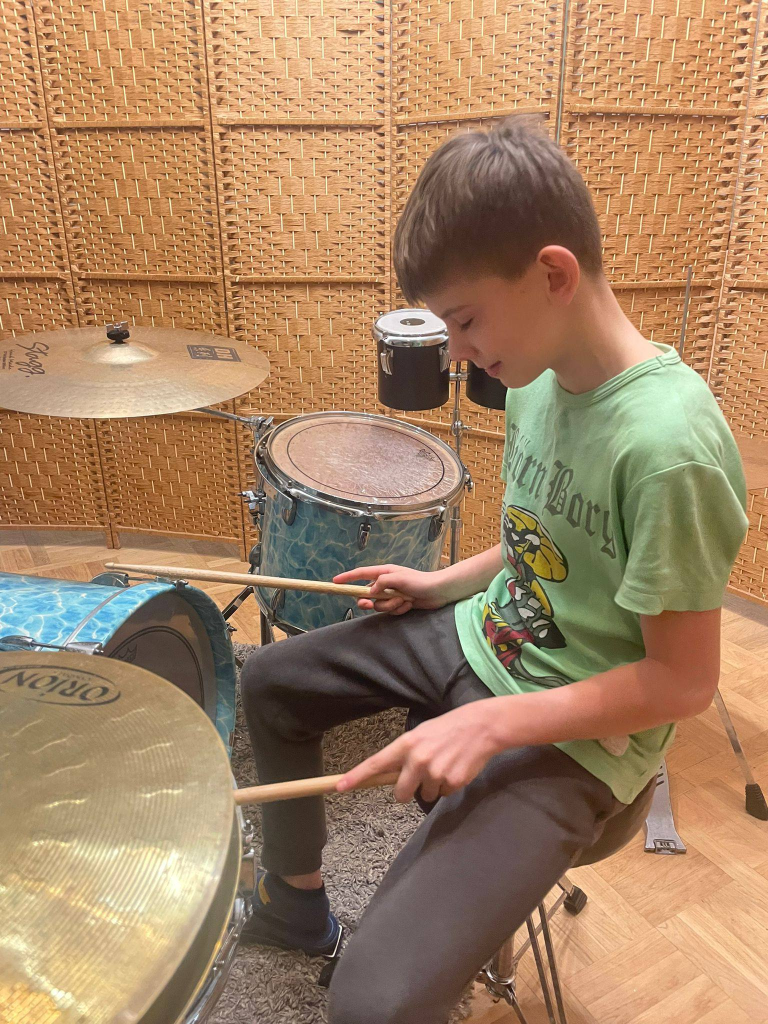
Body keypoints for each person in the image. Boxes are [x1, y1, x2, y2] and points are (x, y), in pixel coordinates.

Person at [239, 114, 748, 1024]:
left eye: (466, 321)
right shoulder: (536, 381)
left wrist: (490, 724)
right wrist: (442, 585)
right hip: (489, 635)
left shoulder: (669, 449)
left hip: (582, 736)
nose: (459, 353)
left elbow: (682, 682)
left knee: (372, 1005)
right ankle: (298, 907)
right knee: (272, 682)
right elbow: (538, 542)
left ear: (553, 274)